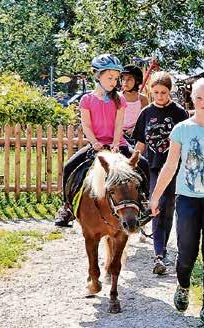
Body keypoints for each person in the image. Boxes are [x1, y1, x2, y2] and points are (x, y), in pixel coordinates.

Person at [150, 78, 204, 327]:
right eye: (199, 98)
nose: (203, 103)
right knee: (186, 254)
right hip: (187, 199)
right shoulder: (181, 129)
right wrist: (155, 197)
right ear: (192, 99)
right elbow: (170, 166)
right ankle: (183, 286)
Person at [54, 54, 148, 227]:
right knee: (69, 167)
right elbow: (86, 126)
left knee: (143, 164)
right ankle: (67, 207)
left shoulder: (119, 100)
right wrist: (95, 142)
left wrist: (114, 143)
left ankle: (144, 204)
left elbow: (119, 124)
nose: (114, 81)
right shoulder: (86, 100)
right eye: (109, 77)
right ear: (97, 76)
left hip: (116, 145)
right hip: (96, 144)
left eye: (116, 78)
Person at [132, 71, 188, 274]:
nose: (159, 96)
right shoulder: (146, 113)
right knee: (157, 205)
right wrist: (133, 161)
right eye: (155, 92)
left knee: (168, 207)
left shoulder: (179, 113)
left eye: (163, 92)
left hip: (174, 165)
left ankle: (162, 249)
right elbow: (140, 142)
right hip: (153, 165)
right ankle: (158, 254)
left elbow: (187, 141)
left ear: (169, 91)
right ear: (150, 91)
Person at [121, 64, 149, 143]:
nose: (125, 82)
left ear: (137, 81)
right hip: (119, 134)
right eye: (123, 79)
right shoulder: (117, 97)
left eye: (129, 79)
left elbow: (145, 119)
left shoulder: (142, 99)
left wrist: (135, 128)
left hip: (137, 134)